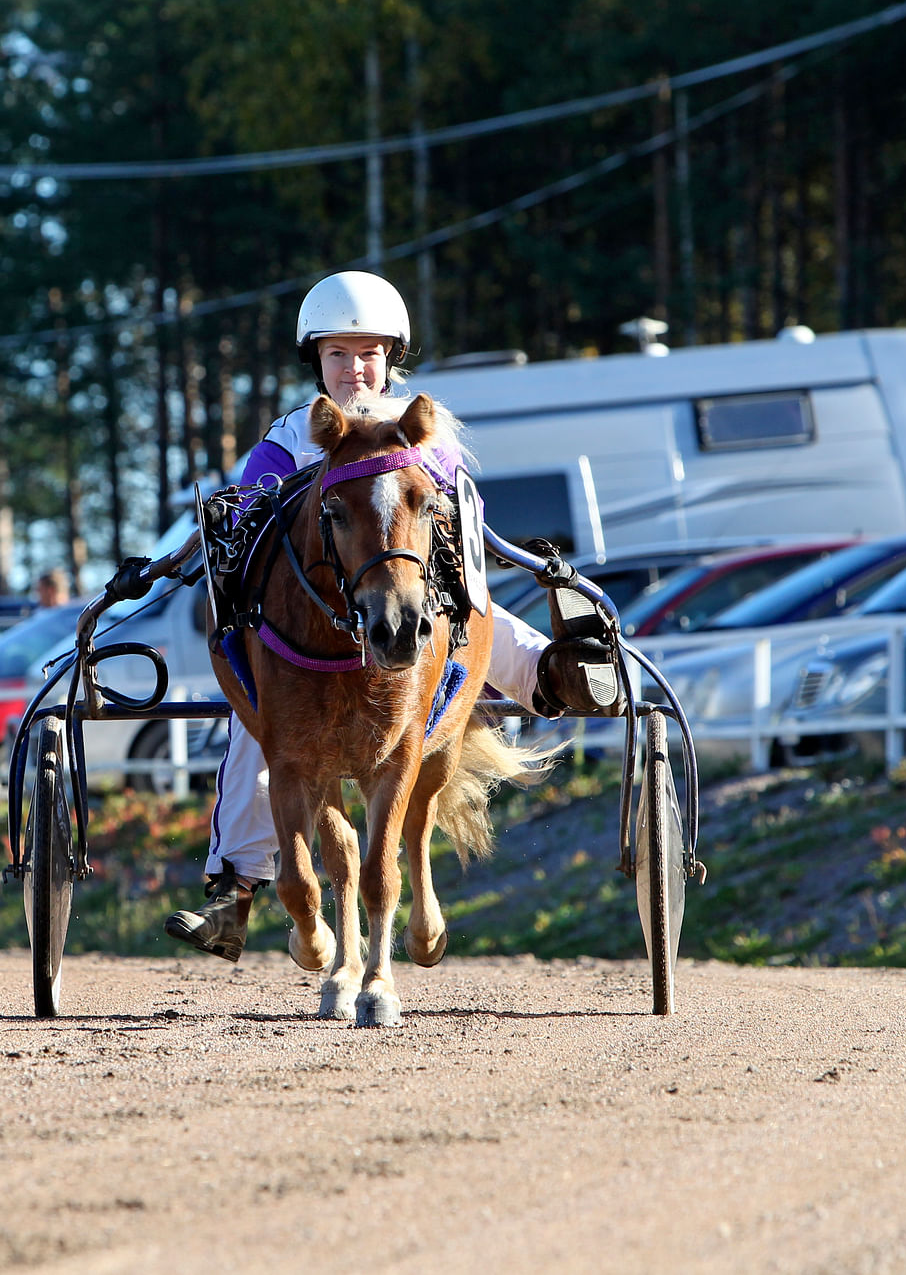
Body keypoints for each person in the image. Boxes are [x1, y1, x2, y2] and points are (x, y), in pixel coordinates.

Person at [162, 271, 620, 961]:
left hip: (414, 606)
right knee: (250, 739)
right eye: (339, 354)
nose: (354, 369)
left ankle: (547, 680)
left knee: (472, 616)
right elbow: (250, 514)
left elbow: (465, 528)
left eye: (368, 353)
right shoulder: (287, 441)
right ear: (316, 359)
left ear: (390, 358)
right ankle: (234, 889)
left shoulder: (424, 432)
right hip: (308, 632)